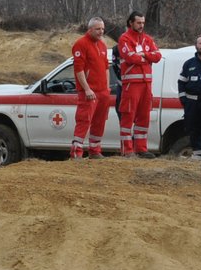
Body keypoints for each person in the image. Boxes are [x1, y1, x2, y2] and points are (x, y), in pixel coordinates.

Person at [116, 11, 163, 156]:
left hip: (146, 85)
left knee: (144, 117)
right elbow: (130, 58)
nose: (141, 25)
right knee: (128, 116)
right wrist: (147, 57)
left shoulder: (147, 39)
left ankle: (141, 149)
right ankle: (127, 150)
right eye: (138, 23)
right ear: (131, 22)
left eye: (143, 23)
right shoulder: (124, 38)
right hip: (131, 85)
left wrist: (144, 55)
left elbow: (158, 56)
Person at [69, 17, 113, 160]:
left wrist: (106, 88)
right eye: (98, 29)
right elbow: (79, 70)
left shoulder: (102, 44)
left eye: (102, 29)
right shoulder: (81, 44)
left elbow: (106, 67)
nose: (101, 32)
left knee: (99, 121)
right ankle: (77, 152)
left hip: (102, 92)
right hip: (89, 92)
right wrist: (87, 89)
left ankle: (95, 150)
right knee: (84, 120)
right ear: (90, 29)